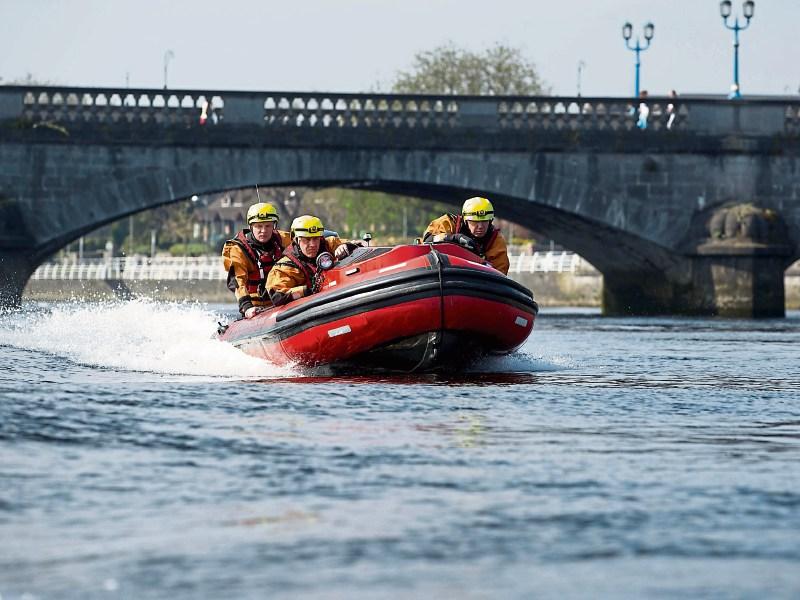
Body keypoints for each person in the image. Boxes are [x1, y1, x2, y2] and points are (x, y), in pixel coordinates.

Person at [266, 215, 361, 306]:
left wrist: (346, 246)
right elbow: (277, 296)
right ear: (296, 239)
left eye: (316, 239)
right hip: (310, 308)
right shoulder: (284, 267)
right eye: (306, 240)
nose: (312, 244)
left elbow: (357, 246)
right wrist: (308, 290)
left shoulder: (330, 244)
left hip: (340, 296)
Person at [222, 202, 292, 318]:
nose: (263, 231)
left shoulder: (283, 240)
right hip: (257, 307)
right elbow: (239, 282)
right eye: (259, 226)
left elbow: (307, 242)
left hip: (285, 301)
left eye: (268, 226)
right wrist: (247, 307)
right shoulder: (239, 249)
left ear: (274, 226)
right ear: (251, 227)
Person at [422, 196, 510, 275]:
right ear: (465, 220)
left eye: (484, 221)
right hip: (442, 271)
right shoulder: (449, 223)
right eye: (474, 222)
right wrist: (454, 238)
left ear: (490, 221)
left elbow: (500, 274)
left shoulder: (495, 241)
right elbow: (428, 238)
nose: (480, 226)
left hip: (475, 281)